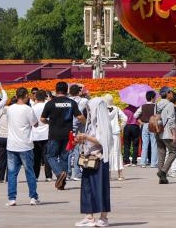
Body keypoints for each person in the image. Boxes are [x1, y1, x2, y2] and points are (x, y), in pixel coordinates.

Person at [75, 96, 112, 228]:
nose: (88, 111)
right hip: (88, 158)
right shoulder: (91, 123)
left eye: (90, 109)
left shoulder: (103, 123)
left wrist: (86, 137)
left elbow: (103, 141)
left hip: (99, 159)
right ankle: (89, 216)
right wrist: (82, 139)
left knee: (100, 188)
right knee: (87, 188)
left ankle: (103, 217)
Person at [42, 80, 84, 190]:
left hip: (54, 134)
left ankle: (59, 173)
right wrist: (88, 124)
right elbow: (80, 117)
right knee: (64, 157)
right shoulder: (71, 103)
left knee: (51, 156)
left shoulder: (50, 103)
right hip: (68, 135)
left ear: (56, 90)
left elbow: (42, 119)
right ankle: (62, 184)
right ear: (67, 91)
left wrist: (49, 122)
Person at [4, 87, 39, 207]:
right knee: (30, 171)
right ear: (25, 96)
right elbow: (35, 123)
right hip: (25, 145)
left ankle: (12, 198)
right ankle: (33, 197)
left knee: (12, 173)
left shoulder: (9, 109)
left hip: (12, 145)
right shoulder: (28, 109)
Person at [155, 86, 176, 184]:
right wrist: (174, 134)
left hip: (158, 131)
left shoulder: (157, 104)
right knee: (173, 152)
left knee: (161, 153)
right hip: (167, 132)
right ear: (167, 93)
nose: (172, 94)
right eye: (171, 92)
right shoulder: (170, 105)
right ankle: (163, 171)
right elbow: (171, 120)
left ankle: (162, 178)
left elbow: (155, 118)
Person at [30, 89, 52, 184]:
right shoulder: (48, 106)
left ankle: (35, 176)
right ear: (45, 97)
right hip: (46, 133)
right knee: (47, 156)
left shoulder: (33, 108)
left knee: (36, 157)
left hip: (35, 135)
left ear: (36, 97)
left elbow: (31, 121)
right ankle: (48, 176)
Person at [102, 94, 125, 181]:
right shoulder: (116, 108)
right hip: (116, 132)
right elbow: (125, 118)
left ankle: (108, 174)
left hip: (106, 133)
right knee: (117, 152)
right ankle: (120, 174)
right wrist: (121, 126)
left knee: (107, 152)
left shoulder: (103, 109)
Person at [137, 90, 158, 168]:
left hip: (145, 125)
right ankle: (153, 163)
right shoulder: (155, 105)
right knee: (154, 144)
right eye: (155, 97)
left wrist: (141, 121)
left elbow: (136, 115)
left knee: (145, 145)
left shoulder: (142, 106)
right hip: (153, 125)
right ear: (152, 98)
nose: (155, 98)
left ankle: (143, 163)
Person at [121, 101, 140, 168]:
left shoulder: (125, 110)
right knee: (135, 144)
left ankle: (126, 161)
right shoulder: (137, 109)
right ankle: (134, 161)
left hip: (127, 127)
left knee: (126, 144)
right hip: (135, 126)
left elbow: (122, 119)